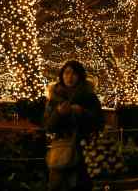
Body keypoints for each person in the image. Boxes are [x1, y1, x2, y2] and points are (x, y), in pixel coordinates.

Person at [44, 60, 104, 191]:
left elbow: (99, 122)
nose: (69, 77)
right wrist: (58, 113)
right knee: (58, 184)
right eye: (66, 73)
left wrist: (82, 112)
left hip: (84, 150)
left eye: (74, 74)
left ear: (80, 76)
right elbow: (48, 125)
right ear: (61, 75)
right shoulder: (54, 97)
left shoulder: (89, 97)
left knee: (80, 185)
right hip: (62, 149)